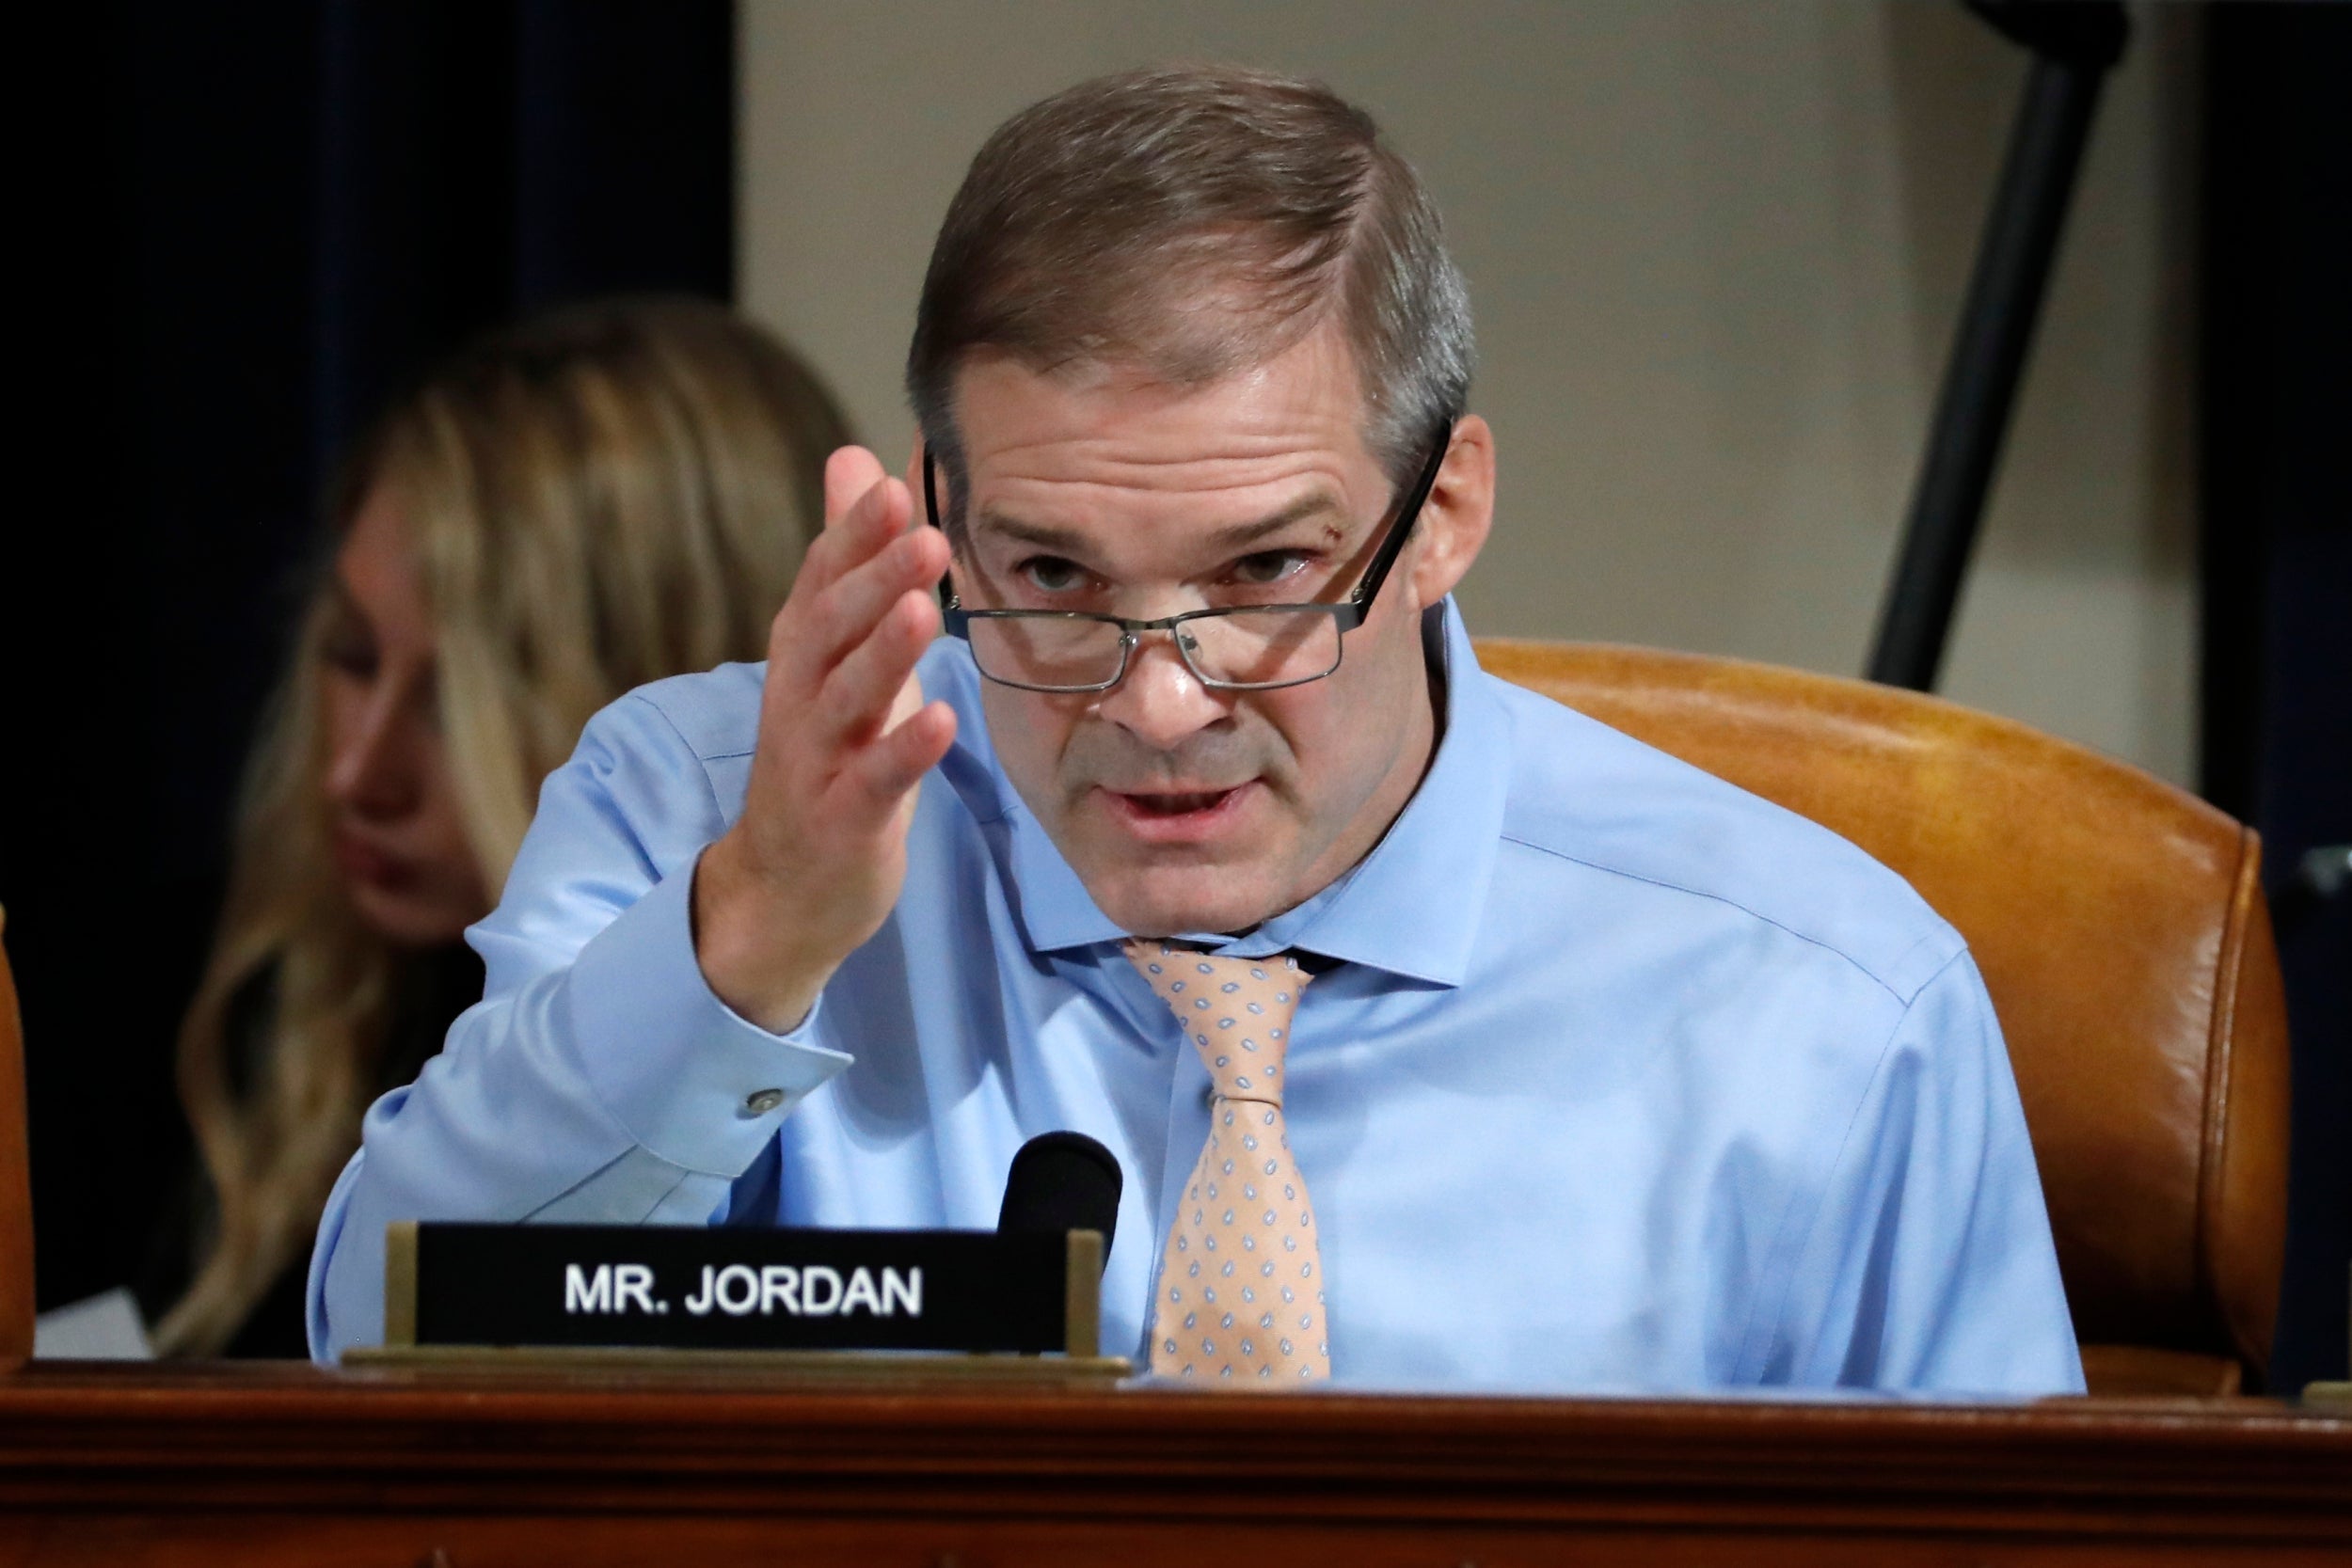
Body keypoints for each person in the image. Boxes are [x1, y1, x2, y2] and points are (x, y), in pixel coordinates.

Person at [310, 69, 2083, 1393]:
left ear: (1445, 508)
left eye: (1265, 569)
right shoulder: (708, 816)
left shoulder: (1828, 1010)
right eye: (1055, 574)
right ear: (939, 509)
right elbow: (372, 1353)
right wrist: (750, 944)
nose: (1160, 705)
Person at [147, 297, 852, 1356]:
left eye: (453, 697)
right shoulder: (214, 1006)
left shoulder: (813, 1076)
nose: (357, 771)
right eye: (349, 654)